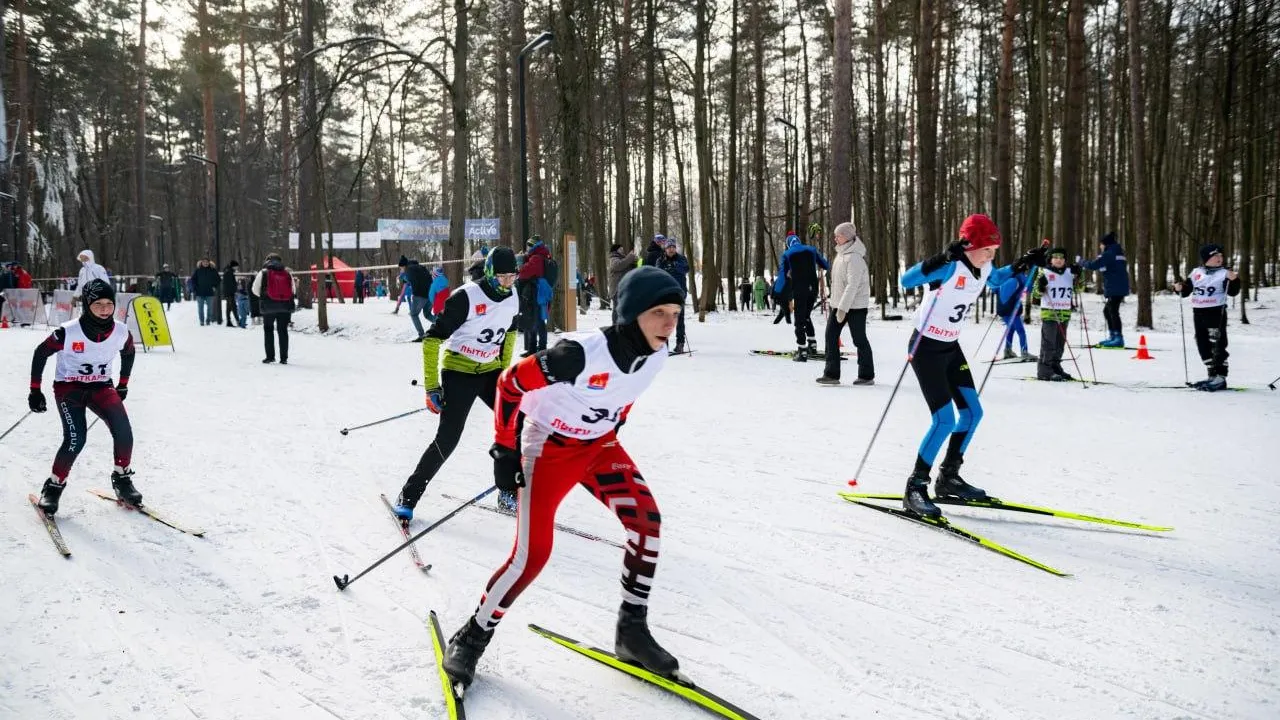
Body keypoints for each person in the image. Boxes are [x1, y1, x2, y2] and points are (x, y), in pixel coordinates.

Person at [441, 266, 687, 691]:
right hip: (548, 450)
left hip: (599, 447)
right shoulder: (578, 355)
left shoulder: (658, 353)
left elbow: (626, 393)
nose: (670, 324)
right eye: (659, 313)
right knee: (531, 556)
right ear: (631, 314)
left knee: (647, 524)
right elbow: (509, 384)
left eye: (676, 313)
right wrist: (504, 448)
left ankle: (631, 632)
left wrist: (615, 423)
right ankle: (472, 636)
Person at [898, 214, 1043, 519]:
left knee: (973, 413)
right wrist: (940, 258)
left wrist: (1022, 263)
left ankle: (949, 477)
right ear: (969, 246)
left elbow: (997, 279)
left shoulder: (984, 267)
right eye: (986, 250)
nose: (991, 255)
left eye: (994, 250)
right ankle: (915, 487)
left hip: (950, 348)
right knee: (944, 420)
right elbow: (907, 280)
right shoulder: (950, 266)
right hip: (925, 348)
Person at [392, 247, 522, 520]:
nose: (507, 283)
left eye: (512, 277)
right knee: (448, 439)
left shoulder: (513, 296)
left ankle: (507, 490)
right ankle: (409, 495)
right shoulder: (467, 297)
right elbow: (431, 340)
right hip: (459, 371)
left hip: (490, 371)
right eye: (501, 277)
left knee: (517, 424)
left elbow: (510, 333)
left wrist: (503, 373)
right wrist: (432, 387)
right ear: (489, 273)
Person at [29, 279, 142, 515]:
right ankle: (53, 486)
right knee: (75, 439)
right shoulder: (68, 332)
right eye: (98, 304)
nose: (104, 309)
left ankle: (122, 479)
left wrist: (123, 384)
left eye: (109, 304)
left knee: (124, 431)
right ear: (87, 305)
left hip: (101, 387)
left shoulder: (121, 331)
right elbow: (41, 353)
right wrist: (35, 390)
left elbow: (129, 353)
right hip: (69, 389)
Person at [1174, 243, 1240, 392]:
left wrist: (1234, 280)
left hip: (1216, 312)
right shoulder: (1196, 272)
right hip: (1198, 312)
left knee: (1217, 343)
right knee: (1202, 343)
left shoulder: (1225, 273)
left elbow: (1233, 292)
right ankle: (1211, 374)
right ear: (1206, 258)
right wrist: (1179, 288)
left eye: (1221, 255)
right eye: (1215, 256)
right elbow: (1186, 290)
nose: (1219, 258)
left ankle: (1220, 376)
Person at [817, 222, 874, 386]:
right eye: (835, 235)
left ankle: (866, 375)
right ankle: (831, 374)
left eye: (839, 235)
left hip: (855, 307)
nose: (835, 238)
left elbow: (852, 285)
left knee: (859, 339)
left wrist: (842, 308)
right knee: (831, 336)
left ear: (847, 237)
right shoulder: (841, 255)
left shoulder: (854, 257)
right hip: (838, 305)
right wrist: (835, 302)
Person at [773, 233, 829, 361]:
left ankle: (802, 350)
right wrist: (820, 260)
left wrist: (776, 292)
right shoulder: (812, 249)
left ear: (788, 244)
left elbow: (782, 275)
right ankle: (812, 344)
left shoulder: (787, 254)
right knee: (806, 316)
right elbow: (825, 265)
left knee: (799, 319)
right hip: (813, 288)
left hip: (800, 289)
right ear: (798, 241)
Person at [1031, 248, 1084, 381]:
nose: (1058, 260)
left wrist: (1079, 275)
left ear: (1065, 260)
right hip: (1050, 312)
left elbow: (1079, 289)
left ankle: (1055, 367)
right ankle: (1044, 370)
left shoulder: (1070, 273)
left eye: (1061, 258)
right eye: (1055, 258)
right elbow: (1036, 294)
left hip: (1064, 313)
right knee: (1048, 343)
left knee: (1060, 343)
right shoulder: (1044, 272)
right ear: (1050, 260)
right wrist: (1040, 286)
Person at [1081, 232, 1129, 347]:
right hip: (1118, 286)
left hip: (1116, 287)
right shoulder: (1117, 252)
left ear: (1106, 244)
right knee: (1108, 311)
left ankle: (1118, 338)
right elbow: (1112, 267)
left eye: (1101, 244)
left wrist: (1081, 262)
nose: (1100, 246)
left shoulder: (1109, 253)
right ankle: (1113, 336)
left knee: (1112, 311)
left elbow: (1093, 265)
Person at [252, 254, 296, 364]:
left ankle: (270, 356)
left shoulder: (263, 273)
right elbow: (293, 290)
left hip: (268, 305)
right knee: (283, 330)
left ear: (267, 261)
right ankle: (284, 358)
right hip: (284, 306)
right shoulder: (287, 273)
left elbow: (254, 290)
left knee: (268, 330)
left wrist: (264, 296)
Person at [518, 236, 553, 355]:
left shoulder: (536, 258)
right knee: (537, 321)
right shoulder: (543, 256)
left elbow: (524, 273)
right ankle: (536, 348)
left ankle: (539, 349)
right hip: (542, 293)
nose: (527, 248)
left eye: (529, 246)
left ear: (534, 246)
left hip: (536, 294)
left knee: (537, 321)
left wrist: (521, 262)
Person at [655, 238, 690, 353]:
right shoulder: (661, 260)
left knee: (679, 318)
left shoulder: (681, 259)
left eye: (673, 247)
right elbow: (657, 273)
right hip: (665, 293)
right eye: (669, 247)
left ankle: (680, 343)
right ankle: (664, 345)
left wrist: (674, 265)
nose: (671, 249)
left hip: (679, 293)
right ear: (665, 249)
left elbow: (686, 269)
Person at [401, 256, 434, 341]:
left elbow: (414, 280)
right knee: (428, 314)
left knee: (413, 314)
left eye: (401, 268)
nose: (401, 269)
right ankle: (445, 324)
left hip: (420, 295)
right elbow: (428, 279)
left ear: (404, 266)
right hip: (430, 294)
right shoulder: (422, 267)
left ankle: (421, 335)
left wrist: (415, 293)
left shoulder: (409, 269)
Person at [608, 243, 638, 322]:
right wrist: (630, 257)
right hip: (616, 289)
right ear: (616, 250)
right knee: (617, 308)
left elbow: (629, 268)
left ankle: (622, 324)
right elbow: (618, 266)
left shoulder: (624, 259)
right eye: (620, 249)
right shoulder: (613, 259)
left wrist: (634, 262)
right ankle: (615, 325)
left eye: (622, 249)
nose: (622, 250)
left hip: (624, 288)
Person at [190, 259, 220, 326]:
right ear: (201, 263)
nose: (205, 263)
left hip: (210, 293)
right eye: (204, 262)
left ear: (209, 263)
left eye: (207, 262)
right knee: (200, 308)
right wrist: (195, 288)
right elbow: (193, 280)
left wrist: (214, 286)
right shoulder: (198, 270)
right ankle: (201, 321)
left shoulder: (213, 270)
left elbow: (218, 279)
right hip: (199, 293)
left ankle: (208, 320)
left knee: (210, 309)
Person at [222, 261, 241, 327]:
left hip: (227, 292)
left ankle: (229, 322)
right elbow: (230, 283)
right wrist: (235, 289)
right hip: (230, 292)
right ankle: (238, 321)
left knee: (229, 307)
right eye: (236, 266)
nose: (237, 268)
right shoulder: (229, 272)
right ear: (233, 266)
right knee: (233, 307)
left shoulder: (227, 270)